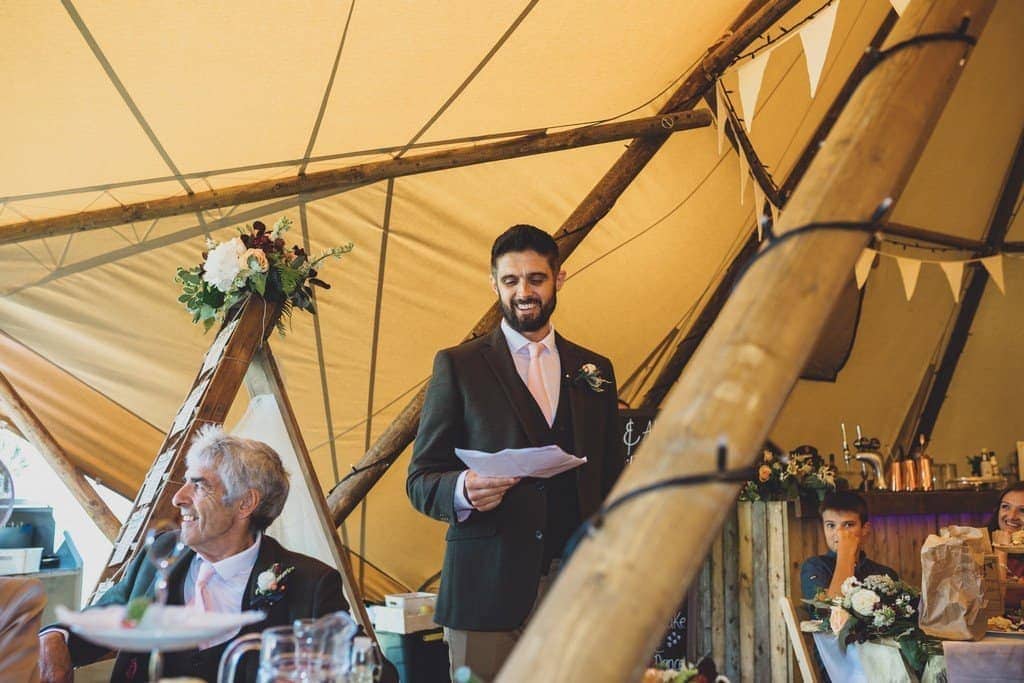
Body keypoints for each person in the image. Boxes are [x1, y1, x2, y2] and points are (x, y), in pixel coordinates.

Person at [407, 224, 624, 680]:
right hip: (484, 590)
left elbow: (610, 479)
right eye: (510, 281)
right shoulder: (459, 366)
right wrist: (462, 489)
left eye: (536, 279)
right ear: (494, 285)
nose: (523, 292)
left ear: (559, 279)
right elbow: (421, 478)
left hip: (574, 589)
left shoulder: (595, 369)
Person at [39, 427, 349, 683]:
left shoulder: (310, 584)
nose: (178, 498)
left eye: (198, 486)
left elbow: (369, 670)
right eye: (185, 482)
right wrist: (56, 636)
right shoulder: (160, 554)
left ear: (245, 503)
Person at [800, 490, 899, 604]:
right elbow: (830, 612)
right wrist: (845, 554)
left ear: (864, 530)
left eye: (848, 525)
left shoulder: (886, 574)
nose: (839, 533)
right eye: (831, 525)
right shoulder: (815, 567)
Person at [988, 481, 1024, 609]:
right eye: (1005, 507)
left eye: (1022, 510)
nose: (1011, 516)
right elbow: (989, 606)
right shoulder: (980, 548)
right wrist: (1001, 550)